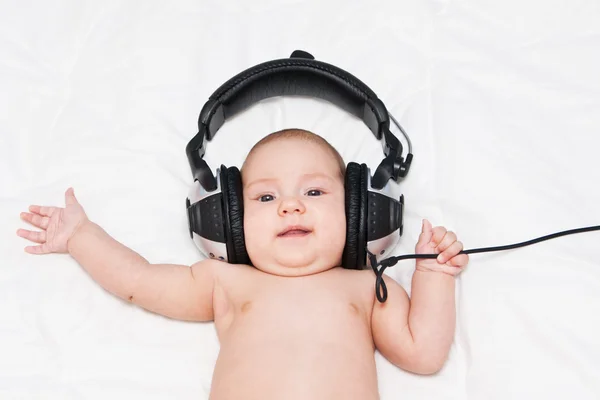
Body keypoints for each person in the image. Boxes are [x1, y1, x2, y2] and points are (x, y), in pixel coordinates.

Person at [16, 128, 469, 400]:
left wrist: (433, 274)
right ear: (228, 219)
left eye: (314, 192)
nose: (290, 207)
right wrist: (81, 237)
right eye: (266, 197)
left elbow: (423, 353)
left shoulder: (365, 286)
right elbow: (140, 281)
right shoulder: (225, 280)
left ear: (359, 212)